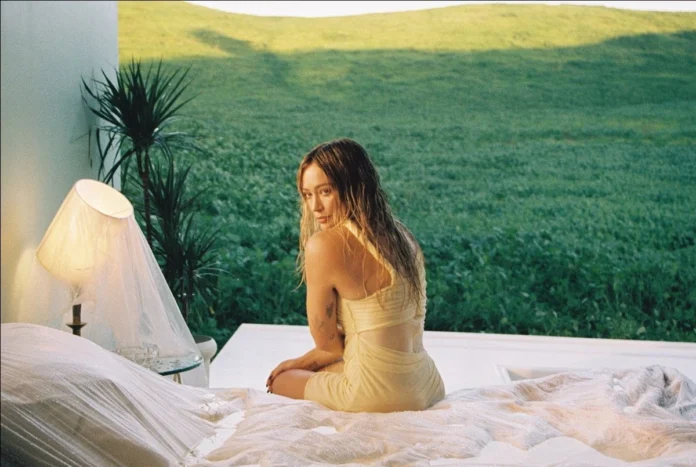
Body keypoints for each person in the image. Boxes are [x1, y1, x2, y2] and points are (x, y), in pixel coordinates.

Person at [266, 138, 445, 412]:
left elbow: (329, 349)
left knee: (282, 380)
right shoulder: (403, 236)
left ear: (353, 186)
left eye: (325, 191)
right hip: (427, 383)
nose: (315, 207)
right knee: (344, 364)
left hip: (376, 394)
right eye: (307, 195)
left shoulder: (324, 245)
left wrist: (294, 364)